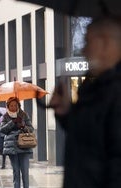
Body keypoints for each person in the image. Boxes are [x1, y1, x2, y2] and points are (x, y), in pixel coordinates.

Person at [50, 16, 121, 188]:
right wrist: (66, 113)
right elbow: (89, 139)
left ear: (105, 44)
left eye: (88, 42)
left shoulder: (116, 91)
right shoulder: (93, 87)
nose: (83, 51)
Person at [0, 97, 34, 188]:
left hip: (24, 146)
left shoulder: (23, 115)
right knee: (16, 172)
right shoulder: (5, 116)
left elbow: (31, 129)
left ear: (18, 105)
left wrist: (23, 126)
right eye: (11, 105)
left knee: (25, 172)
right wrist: (12, 122)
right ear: (8, 106)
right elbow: (2, 130)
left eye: (15, 105)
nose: (13, 107)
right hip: (12, 148)